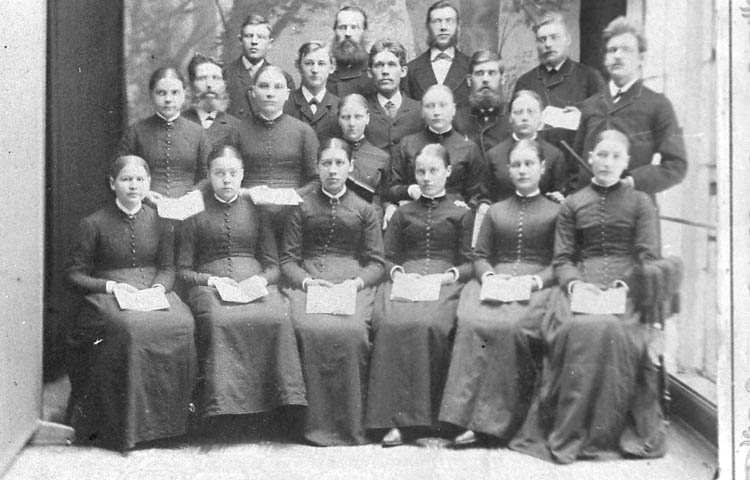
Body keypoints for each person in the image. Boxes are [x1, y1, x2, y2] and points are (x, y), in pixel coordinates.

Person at [510, 129, 666, 463]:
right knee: (574, 328)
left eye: (615, 157)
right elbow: (563, 259)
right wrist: (576, 285)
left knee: (613, 329)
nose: (607, 163)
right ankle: (570, 429)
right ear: (591, 158)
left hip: (628, 287)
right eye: (602, 155)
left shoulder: (641, 203)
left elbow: (648, 257)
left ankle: (604, 433)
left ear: (626, 162)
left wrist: (625, 286)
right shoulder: (573, 204)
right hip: (581, 282)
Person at [65, 155, 196, 450]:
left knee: (183, 323)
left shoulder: (161, 220)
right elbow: (74, 275)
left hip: (153, 289)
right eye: (126, 179)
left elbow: (167, 266)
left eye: (139, 180)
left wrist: (159, 288)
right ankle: (130, 427)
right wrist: (110, 286)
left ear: (148, 183)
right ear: (113, 184)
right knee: (130, 328)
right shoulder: (93, 223)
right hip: (108, 294)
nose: (133, 186)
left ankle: (173, 425)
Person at [439, 139, 559, 448]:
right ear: (508, 170)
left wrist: (533, 282)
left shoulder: (556, 212)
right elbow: (480, 255)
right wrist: (490, 277)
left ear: (542, 168)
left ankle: (493, 424)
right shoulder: (495, 210)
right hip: (495, 280)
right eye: (516, 165)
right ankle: (458, 417)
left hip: (537, 285)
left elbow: (560, 262)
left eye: (528, 164)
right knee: (471, 321)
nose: (522, 171)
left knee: (510, 326)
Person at [177, 145, 307, 422]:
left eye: (233, 173)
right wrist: (211, 280)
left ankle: (283, 407)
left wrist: (260, 280)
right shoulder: (194, 212)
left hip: (255, 285)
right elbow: (183, 271)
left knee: (278, 316)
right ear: (208, 175)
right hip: (210, 289)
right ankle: (224, 411)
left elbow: (273, 265)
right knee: (219, 320)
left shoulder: (257, 210)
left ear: (243, 174)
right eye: (219, 173)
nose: (226, 180)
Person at [366, 143, 473, 447]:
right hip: (406, 279)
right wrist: (399, 273)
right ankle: (395, 420)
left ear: (447, 172)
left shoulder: (462, 213)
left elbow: (469, 262)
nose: (426, 178)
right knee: (390, 323)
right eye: (421, 172)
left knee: (432, 325)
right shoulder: (403, 213)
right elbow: (386, 257)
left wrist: (447, 277)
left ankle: (435, 420)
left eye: (433, 171)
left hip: (444, 281)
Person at [280, 138, 385, 446]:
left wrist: (355, 284)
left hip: (352, 282)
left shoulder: (365, 209)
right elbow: (288, 260)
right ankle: (309, 425)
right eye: (326, 164)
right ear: (317, 167)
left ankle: (350, 424)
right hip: (309, 281)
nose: (333, 170)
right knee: (306, 327)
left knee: (353, 331)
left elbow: (377, 263)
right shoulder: (301, 207)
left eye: (340, 163)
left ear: (351, 166)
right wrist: (307, 283)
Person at [574, 16, 686, 195]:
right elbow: (575, 163)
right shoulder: (590, 105)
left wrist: (633, 181)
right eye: (612, 50)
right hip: (589, 207)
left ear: (641, 58)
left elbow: (676, 165)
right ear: (605, 58)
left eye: (626, 49)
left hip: (634, 206)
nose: (618, 55)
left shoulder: (657, 104)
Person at [514, 11, 605, 175]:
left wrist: (582, 113)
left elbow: (604, 122)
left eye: (554, 38)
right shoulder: (525, 82)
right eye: (542, 40)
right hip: (534, 172)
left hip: (576, 169)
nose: (548, 44)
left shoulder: (590, 77)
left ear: (567, 40)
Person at [237, 65, 320, 239]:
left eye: (277, 87)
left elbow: (317, 180)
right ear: (253, 92)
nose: (270, 93)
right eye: (263, 86)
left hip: (294, 216)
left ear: (287, 94)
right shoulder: (238, 131)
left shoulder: (304, 132)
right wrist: (247, 193)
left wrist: (292, 195)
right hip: (248, 214)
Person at [387, 84, 483, 224]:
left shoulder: (469, 148)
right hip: (415, 217)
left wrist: (468, 207)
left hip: (453, 219)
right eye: (430, 106)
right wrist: (410, 190)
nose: (436, 112)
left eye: (443, 105)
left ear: (453, 110)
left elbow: (477, 193)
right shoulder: (407, 144)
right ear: (422, 111)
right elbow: (391, 188)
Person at [116, 67, 209, 202]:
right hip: (146, 206)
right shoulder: (136, 132)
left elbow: (208, 175)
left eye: (175, 92)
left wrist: (195, 194)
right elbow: (118, 172)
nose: (168, 99)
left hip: (188, 207)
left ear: (184, 94)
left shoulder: (198, 132)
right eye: (161, 93)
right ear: (151, 95)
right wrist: (144, 193)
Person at [481, 90, 566, 205]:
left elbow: (559, 194)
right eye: (518, 112)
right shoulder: (494, 155)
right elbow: (485, 195)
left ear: (541, 116)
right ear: (510, 117)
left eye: (531, 112)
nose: (525, 117)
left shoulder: (554, 155)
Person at [225, 14, 295, 119]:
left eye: (261, 37)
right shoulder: (225, 75)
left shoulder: (284, 79)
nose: (254, 42)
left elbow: (288, 120)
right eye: (249, 36)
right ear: (240, 40)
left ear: (270, 43)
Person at [364, 40, 423, 163]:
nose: (385, 71)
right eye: (379, 65)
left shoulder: (420, 111)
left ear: (403, 71)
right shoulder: (362, 111)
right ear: (370, 72)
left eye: (391, 65)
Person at [405, 1, 470, 108]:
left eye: (449, 21)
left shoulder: (471, 67)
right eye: (436, 21)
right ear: (428, 27)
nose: (443, 27)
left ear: (457, 26)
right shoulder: (411, 70)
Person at [338, 93, 392, 217]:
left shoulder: (382, 157)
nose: (352, 123)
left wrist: (390, 207)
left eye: (358, 117)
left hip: (370, 219)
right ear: (338, 119)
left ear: (367, 118)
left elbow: (386, 196)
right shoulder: (330, 153)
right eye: (345, 117)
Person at [453, 50, 511, 157]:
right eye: (479, 73)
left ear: (503, 79)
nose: (485, 79)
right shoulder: (456, 119)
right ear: (469, 80)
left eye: (492, 73)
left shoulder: (513, 116)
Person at [284, 41, 341, 142]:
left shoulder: (339, 106)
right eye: (309, 63)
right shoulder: (285, 103)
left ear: (332, 68)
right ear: (298, 66)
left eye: (321, 64)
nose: (315, 70)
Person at [183, 54, 242, 152]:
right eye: (202, 78)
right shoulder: (178, 123)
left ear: (224, 85)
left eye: (216, 78)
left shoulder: (237, 127)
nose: (209, 85)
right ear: (191, 85)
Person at [327, 6, 376, 99]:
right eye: (342, 27)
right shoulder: (322, 68)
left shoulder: (376, 67)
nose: (348, 33)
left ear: (364, 32)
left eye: (354, 27)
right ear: (335, 31)